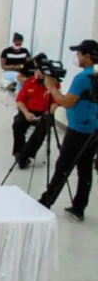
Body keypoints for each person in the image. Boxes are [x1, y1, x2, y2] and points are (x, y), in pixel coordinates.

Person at [38, 40, 98, 221]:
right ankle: (79, 207)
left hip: (78, 130)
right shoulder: (96, 73)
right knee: (85, 169)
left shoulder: (82, 78)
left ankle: (45, 202)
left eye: (79, 54)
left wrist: (50, 87)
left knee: (63, 166)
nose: (77, 57)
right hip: (93, 129)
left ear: (87, 56)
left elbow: (66, 102)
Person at [12, 64, 58, 169]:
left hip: (45, 113)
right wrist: (26, 113)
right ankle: (18, 152)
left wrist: (49, 112)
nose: (40, 74)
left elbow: (56, 102)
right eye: (38, 72)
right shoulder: (29, 82)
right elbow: (19, 100)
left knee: (43, 127)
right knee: (18, 123)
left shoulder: (53, 84)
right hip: (28, 111)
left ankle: (26, 154)